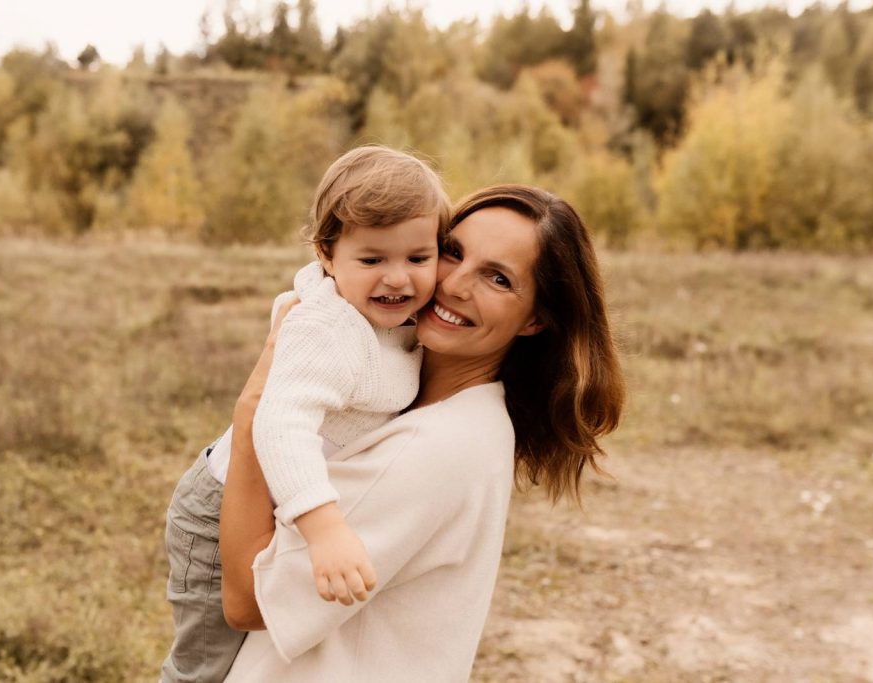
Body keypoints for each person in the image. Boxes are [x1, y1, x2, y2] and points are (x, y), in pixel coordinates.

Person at [218, 184, 626, 681]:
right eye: (452, 252)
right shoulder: (404, 394)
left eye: (498, 278)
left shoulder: (433, 448)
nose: (454, 284)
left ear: (535, 319)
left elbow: (246, 601)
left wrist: (252, 414)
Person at [160, 145, 451, 683]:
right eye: (371, 260)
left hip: (279, 501)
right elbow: (279, 423)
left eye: (417, 258)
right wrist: (326, 531)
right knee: (207, 666)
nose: (397, 279)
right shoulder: (326, 327)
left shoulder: (399, 320)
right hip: (221, 509)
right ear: (326, 254)